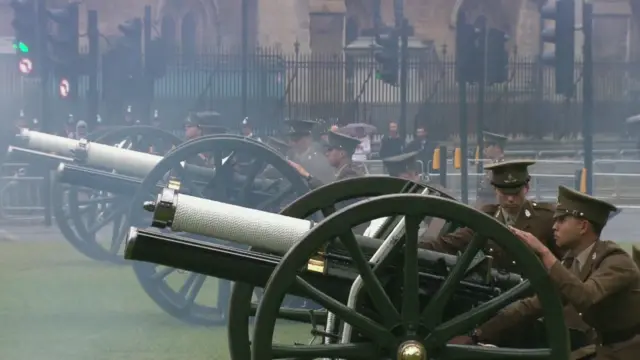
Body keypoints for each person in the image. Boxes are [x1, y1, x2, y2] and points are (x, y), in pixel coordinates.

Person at [454, 185, 640, 360]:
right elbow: (534, 305)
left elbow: (585, 296)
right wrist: (476, 335)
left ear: (583, 226)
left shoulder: (616, 262)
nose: (554, 226)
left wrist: (544, 252)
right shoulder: (573, 262)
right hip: (604, 347)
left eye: (562, 220)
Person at [288, 130, 364, 190]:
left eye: (330, 150)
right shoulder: (344, 172)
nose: (327, 154)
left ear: (342, 154)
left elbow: (330, 195)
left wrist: (308, 176)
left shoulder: (350, 177)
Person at [285, 119, 334, 184]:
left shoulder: (320, 160)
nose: (291, 143)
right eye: (290, 139)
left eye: (296, 139)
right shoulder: (289, 156)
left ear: (308, 139)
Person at [476, 131, 508, 206]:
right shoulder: (492, 165)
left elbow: (499, 194)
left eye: (487, 146)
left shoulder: (501, 167)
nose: (485, 149)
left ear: (497, 148)